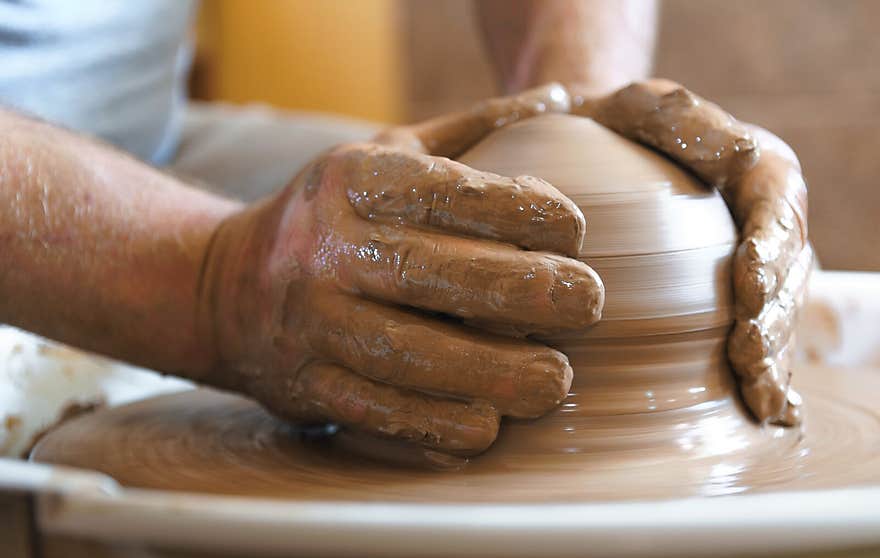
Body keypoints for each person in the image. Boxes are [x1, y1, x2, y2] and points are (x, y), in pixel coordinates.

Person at [0, 0, 808, 458]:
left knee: (419, 231)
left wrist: (583, 115)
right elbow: (226, 275)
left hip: (142, 129)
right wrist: (213, 284)